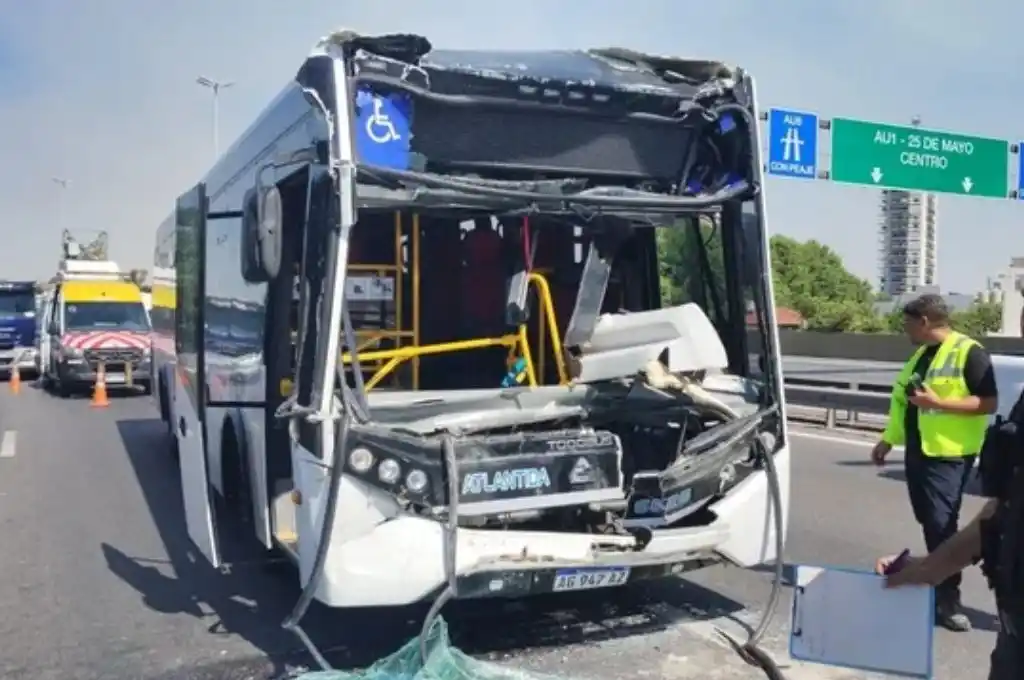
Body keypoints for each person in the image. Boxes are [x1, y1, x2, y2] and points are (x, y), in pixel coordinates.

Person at [870, 293, 998, 630]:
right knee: (931, 522)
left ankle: (947, 601)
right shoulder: (919, 357)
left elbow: (988, 403)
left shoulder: (969, 352)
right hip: (919, 451)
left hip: (949, 454)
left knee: (942, 525)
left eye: (908, 323)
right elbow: (904, 403)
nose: (905, 330)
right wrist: (887, 440)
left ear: (924, 321)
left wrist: (939, 404)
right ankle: (932, 584)